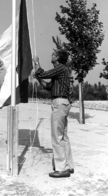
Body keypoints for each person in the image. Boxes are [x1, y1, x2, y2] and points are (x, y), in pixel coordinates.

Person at [33, 49, 74, 178]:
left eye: (54, 54)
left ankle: (62, 169)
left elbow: (44, 74)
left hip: (59, 103)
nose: (52, 55)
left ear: (57, 58)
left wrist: (37, 64)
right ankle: (69, 166)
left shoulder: (60, 68)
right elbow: (47, 86)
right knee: (63, 137)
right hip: (63, 103)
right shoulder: (60, 72)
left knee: (57, 137)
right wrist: (38, 77)